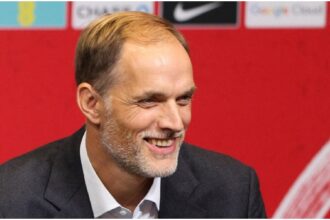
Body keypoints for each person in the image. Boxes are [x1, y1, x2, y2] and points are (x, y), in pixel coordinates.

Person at [0, 12, 266, 218]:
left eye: (184, 99)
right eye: (150, 101)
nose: (175, 123)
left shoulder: (234, 193)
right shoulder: (10, 199)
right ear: (92, 103)